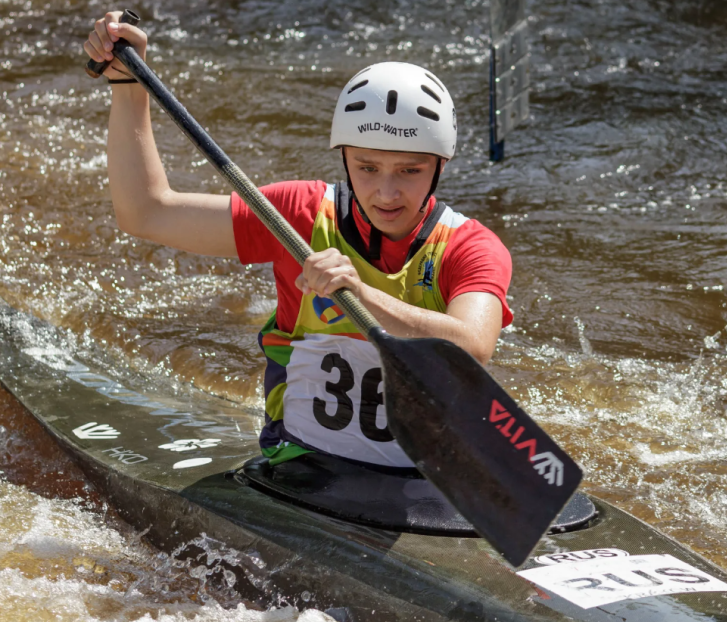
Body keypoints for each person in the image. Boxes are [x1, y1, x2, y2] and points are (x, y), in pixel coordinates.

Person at [84, 11, 513, 469]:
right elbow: (147, 212)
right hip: (302, 457)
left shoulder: (471, 247)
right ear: (345, 159)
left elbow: (472, 346)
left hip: (423, 467)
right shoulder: (296, 215)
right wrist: (128, 87)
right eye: (367, 168)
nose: (387, 192)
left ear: (440, 167)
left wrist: (362, 294)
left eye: (409, 170)